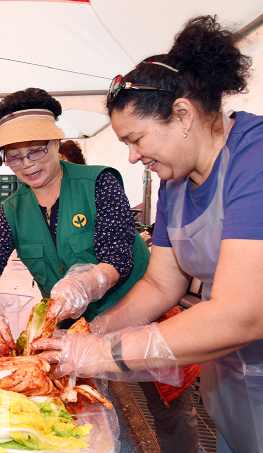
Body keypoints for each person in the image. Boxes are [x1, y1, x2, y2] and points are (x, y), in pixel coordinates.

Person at [32, 16, 262, 453]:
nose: (134, 157)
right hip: (229, 374)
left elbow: (242, 311)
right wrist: (91, 332)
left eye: (136, 139)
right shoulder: (174, 183)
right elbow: (161, 283)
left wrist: (103, 355)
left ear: (183, 115)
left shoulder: (255, 160)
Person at [0, 88, 199, 452]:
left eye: (37, 150)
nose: (27, 165)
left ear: (56, 143)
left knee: (169, 407)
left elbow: (119, 256)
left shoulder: (99, 183)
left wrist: (88, 281)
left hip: (140, 314)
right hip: (74, 330)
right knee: (85, 408)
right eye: (14, 157)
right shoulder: (13, 206)